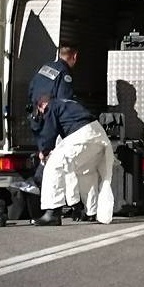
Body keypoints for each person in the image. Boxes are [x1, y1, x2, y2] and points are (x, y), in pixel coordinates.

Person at [32, 95, 115, 226]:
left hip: (81, 135)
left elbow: (49, 132)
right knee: (86, 172)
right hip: (98, 135)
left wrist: (44, 151)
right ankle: (91, 212)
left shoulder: (51, 106)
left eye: (40, 111)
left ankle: (53, 212)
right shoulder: (69, 103)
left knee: (54, 165)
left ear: (42, 104)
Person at [26, 45, 82, 216]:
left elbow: (30, 91)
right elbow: (64, 104)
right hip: (53, 122)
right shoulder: (64, 74)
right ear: (75, 56)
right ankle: (58, 205)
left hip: (37, 118)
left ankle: (44, 198)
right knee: (58, 164)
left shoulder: (44, 68)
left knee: (46, 159)